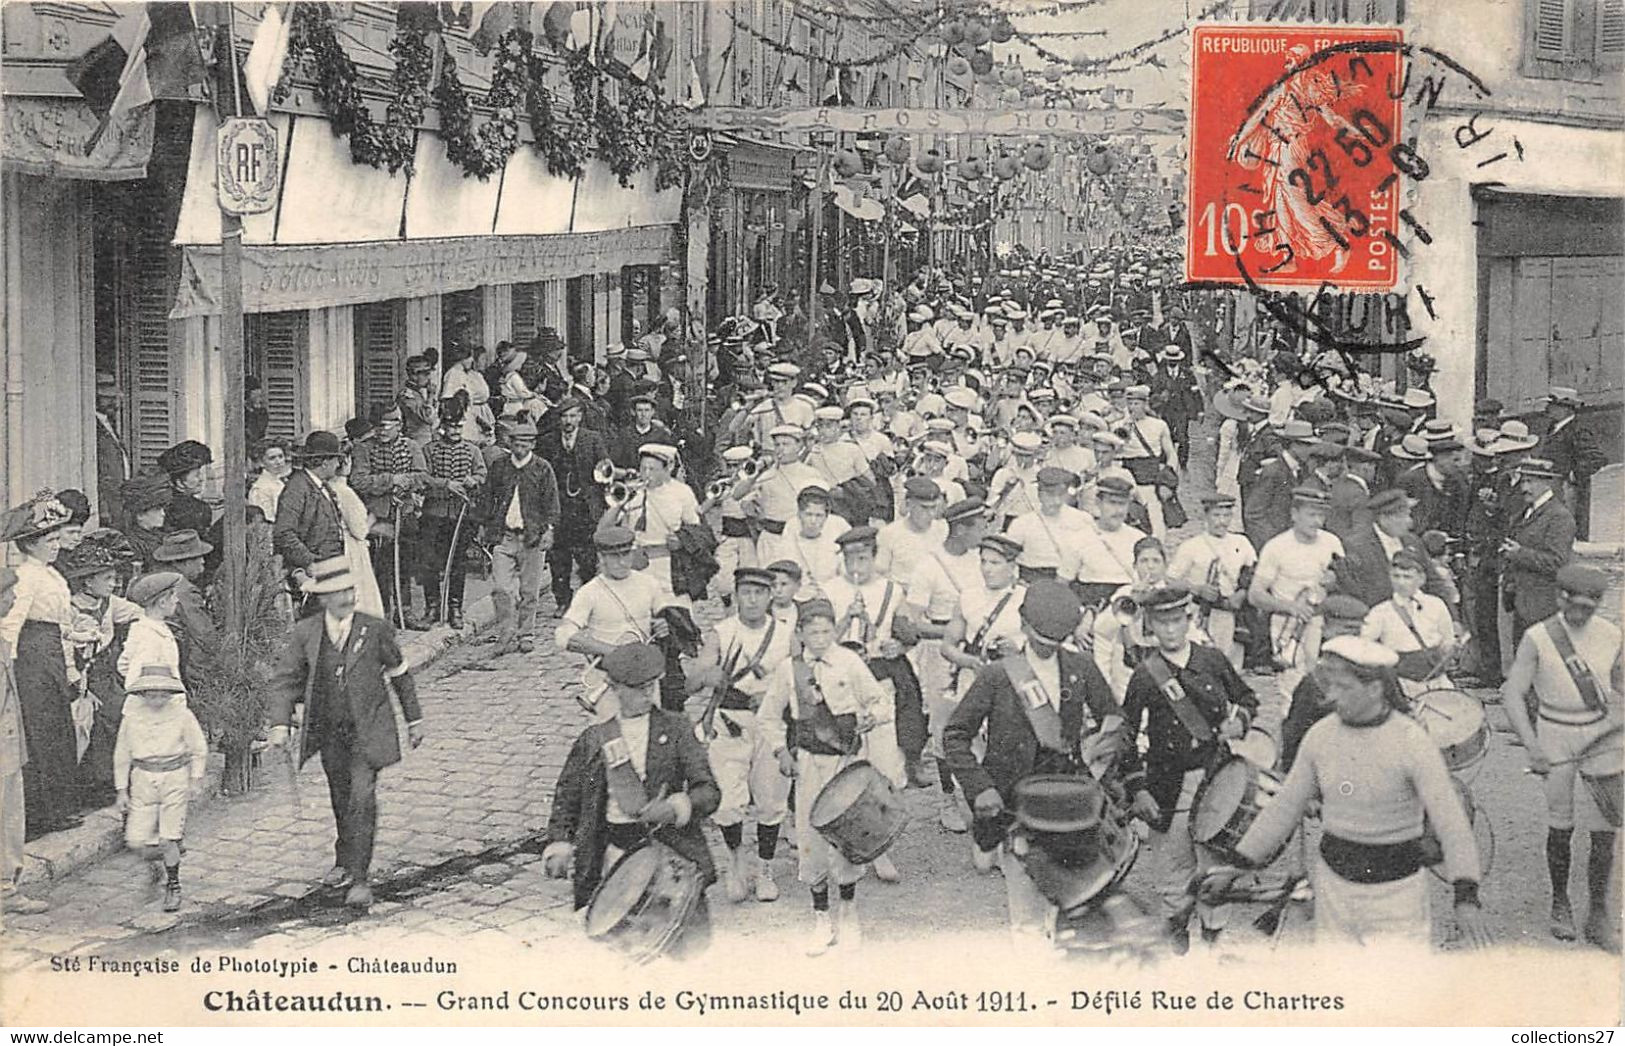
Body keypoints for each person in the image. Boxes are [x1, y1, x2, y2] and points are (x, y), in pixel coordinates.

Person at [1208, 636, 1491, 950]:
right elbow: (1285, 806)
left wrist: (1466, 897)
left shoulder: (1412, 742)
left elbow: (1452, 825)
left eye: (1343, 687)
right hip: (1335, 893)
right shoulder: (1321, 736)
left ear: (1374, 689)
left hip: (1397, 897)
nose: (1331, 696)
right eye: (1330, 685)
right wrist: (1237, 866)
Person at [943, 581, 1127, 937]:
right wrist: (980, 788)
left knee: (1070, 905)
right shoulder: (997, 675)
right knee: (1025, 914)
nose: (1048, 648)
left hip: (1070, 804)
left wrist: (1097, 757)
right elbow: (955, 736)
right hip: (1015, 807)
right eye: (1042, 639)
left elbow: (1115, 720)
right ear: (1024, 625)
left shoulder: (1081, 666)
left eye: (1056, 641)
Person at [267, 557, 425, 909]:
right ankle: (344, 858)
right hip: (329, 732)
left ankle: (360, 877)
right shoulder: (307, 633)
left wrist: (414, 720)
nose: (348, 598)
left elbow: (400, 673)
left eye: (351, 590)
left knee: (362, 797)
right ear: (323, 598)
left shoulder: (376, 629)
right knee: (342, 797)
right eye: (339, 592)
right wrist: (279, 724)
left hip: (368, 731)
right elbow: (285, 680)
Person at [542, 639, 719, 953]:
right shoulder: (595, 739)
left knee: (689, 950)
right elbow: (567, 797)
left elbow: (708, 791)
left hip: (670, 850)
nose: (647, 694)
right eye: (637, 688)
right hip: (613, 855)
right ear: (615, 688)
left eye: (650, 686)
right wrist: (559, 844)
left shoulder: (676, 728)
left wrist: (675, 807)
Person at [1120, 585, 1258, 951]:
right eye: (1161, 623)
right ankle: (1177, 941)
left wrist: (1240, 721)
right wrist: (1139, 789)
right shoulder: (1145, 675)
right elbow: (1125, 736)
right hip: (1167, 783)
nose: (1170, 630)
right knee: (1174, 870)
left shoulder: (1212, 659)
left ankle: (1213, 942)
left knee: (1216, 867)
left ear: (1189, 620)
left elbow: (1247, 697)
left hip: (1215, 776)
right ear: (1150, 625)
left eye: (1177, 621)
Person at [756, 598, 893, 955]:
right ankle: (821, 917)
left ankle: (848, 910)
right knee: (810, 836)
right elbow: (768, 717)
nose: (819, 638)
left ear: (835, 630)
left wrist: (870, 717)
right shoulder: (790, 669)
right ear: (799, 633)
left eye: (826, 630)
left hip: (845, 761)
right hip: (809, 764)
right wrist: (780, 751)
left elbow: (880, 702)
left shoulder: (849, 661)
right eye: (811, 631)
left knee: (847, 833)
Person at [1500, 564, 1621, 951]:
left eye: (1590, 608)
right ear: (1559, 598)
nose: (1581, 615)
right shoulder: (1539, 637)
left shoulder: (1612, 634)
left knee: (1606, 826)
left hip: (1600, 735)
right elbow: (1512, 693)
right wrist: (1532, 745)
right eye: (1575, 606)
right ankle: (1560, 903)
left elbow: (1619, 684)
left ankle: (1598, 912)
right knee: (1561, 823)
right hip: (1554, 733)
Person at [686, 567, 793, 904]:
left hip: (769, 723)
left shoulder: (785, 633)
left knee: (770, 797)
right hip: (728, 721)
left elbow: (800, 679)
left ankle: (765, 868)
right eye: (746, 592)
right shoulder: (721, 632)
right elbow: (692, 681)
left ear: (770, 596)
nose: (752, 599)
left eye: (759, 593)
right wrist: (708, 674)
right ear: (736, 594)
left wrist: (778, 694)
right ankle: (735, 860)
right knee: (728, 801)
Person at [823, 526, 927, 796]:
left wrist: (899, 646)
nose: (856, 566)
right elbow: (819, 641)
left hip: (880, 674)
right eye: (850, 559)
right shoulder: (829, 590)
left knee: (885, 749)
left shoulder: (891, 590)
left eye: (863, 558)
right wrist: (846, 618)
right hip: (842, 678)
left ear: (875, 556)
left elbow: (908, 631)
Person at [0, 495, 81, 838]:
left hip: (49, 653)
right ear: (30, 544)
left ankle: (58, 808)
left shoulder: (48, 572)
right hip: (32, 659)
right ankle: (41, 814)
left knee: (58, 728)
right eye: (49, 542)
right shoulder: (26, 577)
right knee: (40, 734)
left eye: (56, 540)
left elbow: (60, 617)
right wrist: (8, 667)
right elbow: (11, 624)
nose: (56, 547)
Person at [113, 663, 208, 912]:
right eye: (151, 694)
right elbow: (122, 754)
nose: (157, 699)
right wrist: (122, 790)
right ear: (142, 695)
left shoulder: (182, 716)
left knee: (167, 839)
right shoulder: (132, 718)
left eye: (162, 694)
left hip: (174, 776)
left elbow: (198, 749)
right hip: (143, 778)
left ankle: (173, 884)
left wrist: (196, 780)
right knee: (135, 842)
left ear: (170, 694)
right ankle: (162, 859)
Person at [1249, 486, 1345, 729]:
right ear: (1294, 514)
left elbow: (1344, 581)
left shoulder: (1331, 542)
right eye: (1311, 514)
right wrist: (1289, 607)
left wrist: (1335, 581)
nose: (1317, 521)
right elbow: (1256, 595)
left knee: (1325, 688)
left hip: (1324, 624)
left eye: (1321, 515)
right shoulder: (1276, 547)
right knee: (1291, 692)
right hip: (1289, 627)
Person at [480, 418, 560, 657]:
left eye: (526, 443)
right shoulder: (499, 466)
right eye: (516, 442)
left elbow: (552, 504)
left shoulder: (542, 469)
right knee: (501, 588)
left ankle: (526, 633)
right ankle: (506, 632)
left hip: (531, 537)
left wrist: (549, 530)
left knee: (529, 590)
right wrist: (484, 525)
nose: (520, 447)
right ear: (510, 442)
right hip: (504, 537)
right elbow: (487, 497)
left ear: (533, 444)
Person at [550, 526, 667, 684]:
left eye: (626, 554)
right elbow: (563, 636)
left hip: (643, 672)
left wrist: (662, 625)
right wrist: (613, 651)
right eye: (614, 556)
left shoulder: (649, 583)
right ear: (601, 557)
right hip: (606, 674)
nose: (622, 562)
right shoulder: (589, 591)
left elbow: (665, 619)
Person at [350, 405, 429, 631]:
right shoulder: (363, 449)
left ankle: (405, 611)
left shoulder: (411, 446)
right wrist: (391, 480)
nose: (381, 430)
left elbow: (422, 476)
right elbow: (359, 481)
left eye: (386, 426)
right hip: (378, 517)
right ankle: (382, 613)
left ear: (399, 425)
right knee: (380, 568)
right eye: (378, 426)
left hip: (406, 513)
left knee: (405, 565)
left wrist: (407, 483)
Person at [1279, 593, 1370, 771]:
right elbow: (1295, 740)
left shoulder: (1379, 671)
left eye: (1356, 632)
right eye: (1345, 631)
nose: (1351, 638)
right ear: (1327, 631)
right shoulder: (1314, 683)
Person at [420, 399, 487, 629]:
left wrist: (473, 480)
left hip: (461, 514)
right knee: (430, 561)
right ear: (442, 426)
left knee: (458, 562)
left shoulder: (472, 450)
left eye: (459, 426)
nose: (455, 431)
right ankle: (432, 607)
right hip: (434, 514)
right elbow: (422, 477)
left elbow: (482, 474)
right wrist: (445, 484)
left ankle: (455, 608)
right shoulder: (429, 450)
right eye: (451, 426)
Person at [1169, 494, 1257, 669]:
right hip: (1201, 613)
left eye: (1226, 516)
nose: (1221, 521)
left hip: (1231, 614)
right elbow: (1170, 580)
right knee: (1201, 663)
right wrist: (1197, 589)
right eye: (1216, 515)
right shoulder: (1191, 546)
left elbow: (1254, 574)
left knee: (1231, 667)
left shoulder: (1241, 542)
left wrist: (1241, 594)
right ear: (1206, 515)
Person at [540, 397, 610, 612]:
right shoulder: (550, 441)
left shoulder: (592, 439)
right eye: (564, 416)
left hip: (584, 508)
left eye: (573, 416)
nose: (568, 421)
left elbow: (604, 469)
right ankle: (562, 601)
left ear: (580, 417)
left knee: (587, 559)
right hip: (559, 506)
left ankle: (588, 602)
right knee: (558, 557)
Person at [1360, 549, 1458, 697]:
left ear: (1421, 579)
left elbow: (1447, 640)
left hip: (1437, 682)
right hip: (1401, 684)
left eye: (1407, 577)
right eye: (1396, 576)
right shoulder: (1380, 611)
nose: (1401, 582)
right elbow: (1364, 645)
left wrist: (1449, 652)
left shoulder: (1436, 605)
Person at [1500, 458, 1578, 643]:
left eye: (1531, 481)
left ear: (1546, 482)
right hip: (1523, 601)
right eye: (1523, 481)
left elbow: (1558, 562)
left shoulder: (1559, 516)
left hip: (1544, 604)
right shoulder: (1526, 511)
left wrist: (1519, 554)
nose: (1524, 487)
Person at [273, 432, 350, 616]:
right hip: (313, 573)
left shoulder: (321, 486)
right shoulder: (297, 488)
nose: (338, 465)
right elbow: (284, 533)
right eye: (336, 460)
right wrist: (309, 562)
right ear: (325, 462)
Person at [757, 485, 848, 601]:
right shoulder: (791, 527)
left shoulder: (839, 526)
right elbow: (786, 564)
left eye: (819, 515)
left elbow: (848, 567)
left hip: (833, 594)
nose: (813, 521)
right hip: (800, 595)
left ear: (826, 516)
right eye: (808, 514)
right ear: (799, 514)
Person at [1539, 386, 1606, 540]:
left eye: (1553, 405)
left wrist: (1573, 476)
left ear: (1566, 409)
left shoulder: (1578, 429)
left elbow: (1596, 459)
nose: (1548, 409)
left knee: (1567, 528)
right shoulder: (1554, 428)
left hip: (1570, 492)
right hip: (1554, 488)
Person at [117, 572, 184, 686]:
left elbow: (123, 665)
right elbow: (141, 679)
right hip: (156, 699)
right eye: (174, 596)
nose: (176, 600)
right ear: (162, 602)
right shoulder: (149, 637)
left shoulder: (152, 627)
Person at [94, 372, 129, 528]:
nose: (114, 402)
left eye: (114, 398)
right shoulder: (92, 426)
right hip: (106, 507)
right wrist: (103, 510)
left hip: (118, 504)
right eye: (107, 398)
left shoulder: (108, 423)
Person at [247, 437, 293, 526]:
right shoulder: (261, 488)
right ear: (261, 462)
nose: (278, 462)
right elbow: (266, 520)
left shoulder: (281, 482)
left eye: (281, 456)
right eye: (272, 458)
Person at [398, 354, 437, 445]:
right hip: (415, 444)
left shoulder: (418, 394)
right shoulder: (407, 396)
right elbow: (428, 418)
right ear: (414, 375)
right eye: (426, 374)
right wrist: (431, 395)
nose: (429, 378)